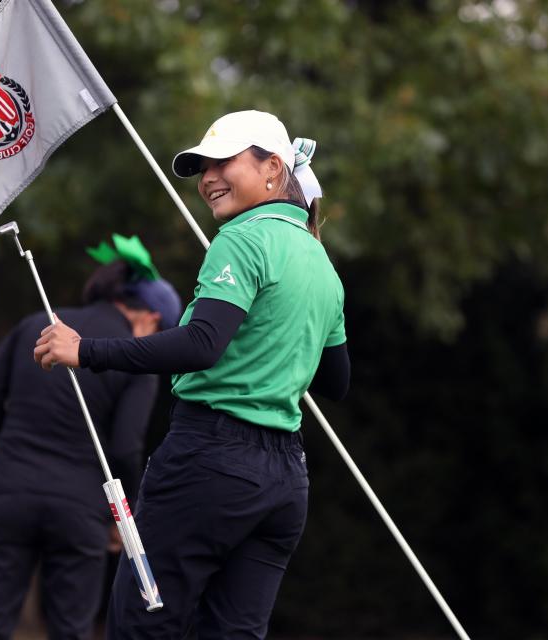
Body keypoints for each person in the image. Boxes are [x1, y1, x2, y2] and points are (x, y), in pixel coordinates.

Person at [34, 110, 351, 639]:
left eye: (224, 161)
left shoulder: (242, 237)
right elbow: (336, 382)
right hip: (285, 481)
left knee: (144, 623)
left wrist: (86, 350)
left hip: (211, 461)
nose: (207, 178)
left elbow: (202, 344)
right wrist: (279, 346)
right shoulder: (320, 259)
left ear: (273, 167)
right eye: (202, 168)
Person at [0, 235, 182, 640]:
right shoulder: (136, 363)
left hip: (9, 491)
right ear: (151, 319)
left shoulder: (38, 325)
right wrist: (123, 517)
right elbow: (124, 447)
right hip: (79, 508)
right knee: (71, 630)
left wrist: (18, 445)